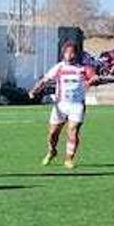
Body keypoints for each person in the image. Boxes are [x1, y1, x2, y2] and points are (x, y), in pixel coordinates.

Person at [29, 40, 99, 169]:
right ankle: (52, 151)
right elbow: (45, 80)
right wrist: (34, 90)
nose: (69, 55)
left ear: (76, 54)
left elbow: (94, 78)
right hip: (60, 105)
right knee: (52, 134)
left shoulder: (83, 68)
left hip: (77, 105)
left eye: (72, 53)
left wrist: (93, 80)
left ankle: (69, 158)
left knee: (72, 131)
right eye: (67, 53)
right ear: (63, 54)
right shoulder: (59, 67)